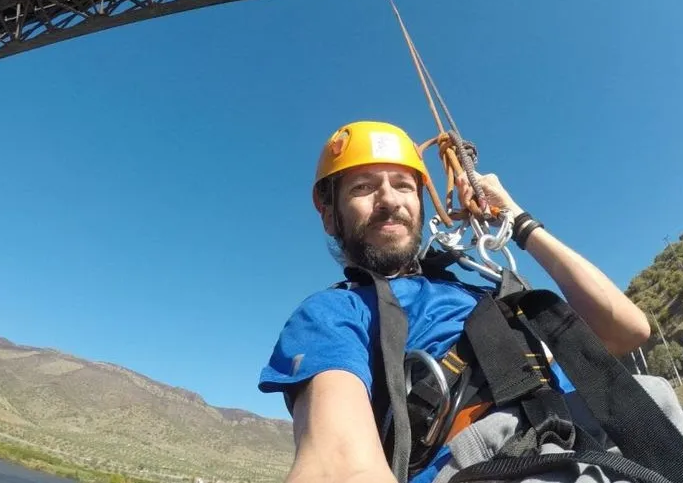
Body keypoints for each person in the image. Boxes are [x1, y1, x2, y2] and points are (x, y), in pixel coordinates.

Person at [258, 120, 651, 483]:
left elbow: (626, 331)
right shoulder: (333, 315)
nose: (388, 199)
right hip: (505, 464)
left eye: (403, 185)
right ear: (330, 217)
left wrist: (516, 219)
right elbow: (339, 467)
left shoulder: (486, 292)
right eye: (362, 187)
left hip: (624, 436)